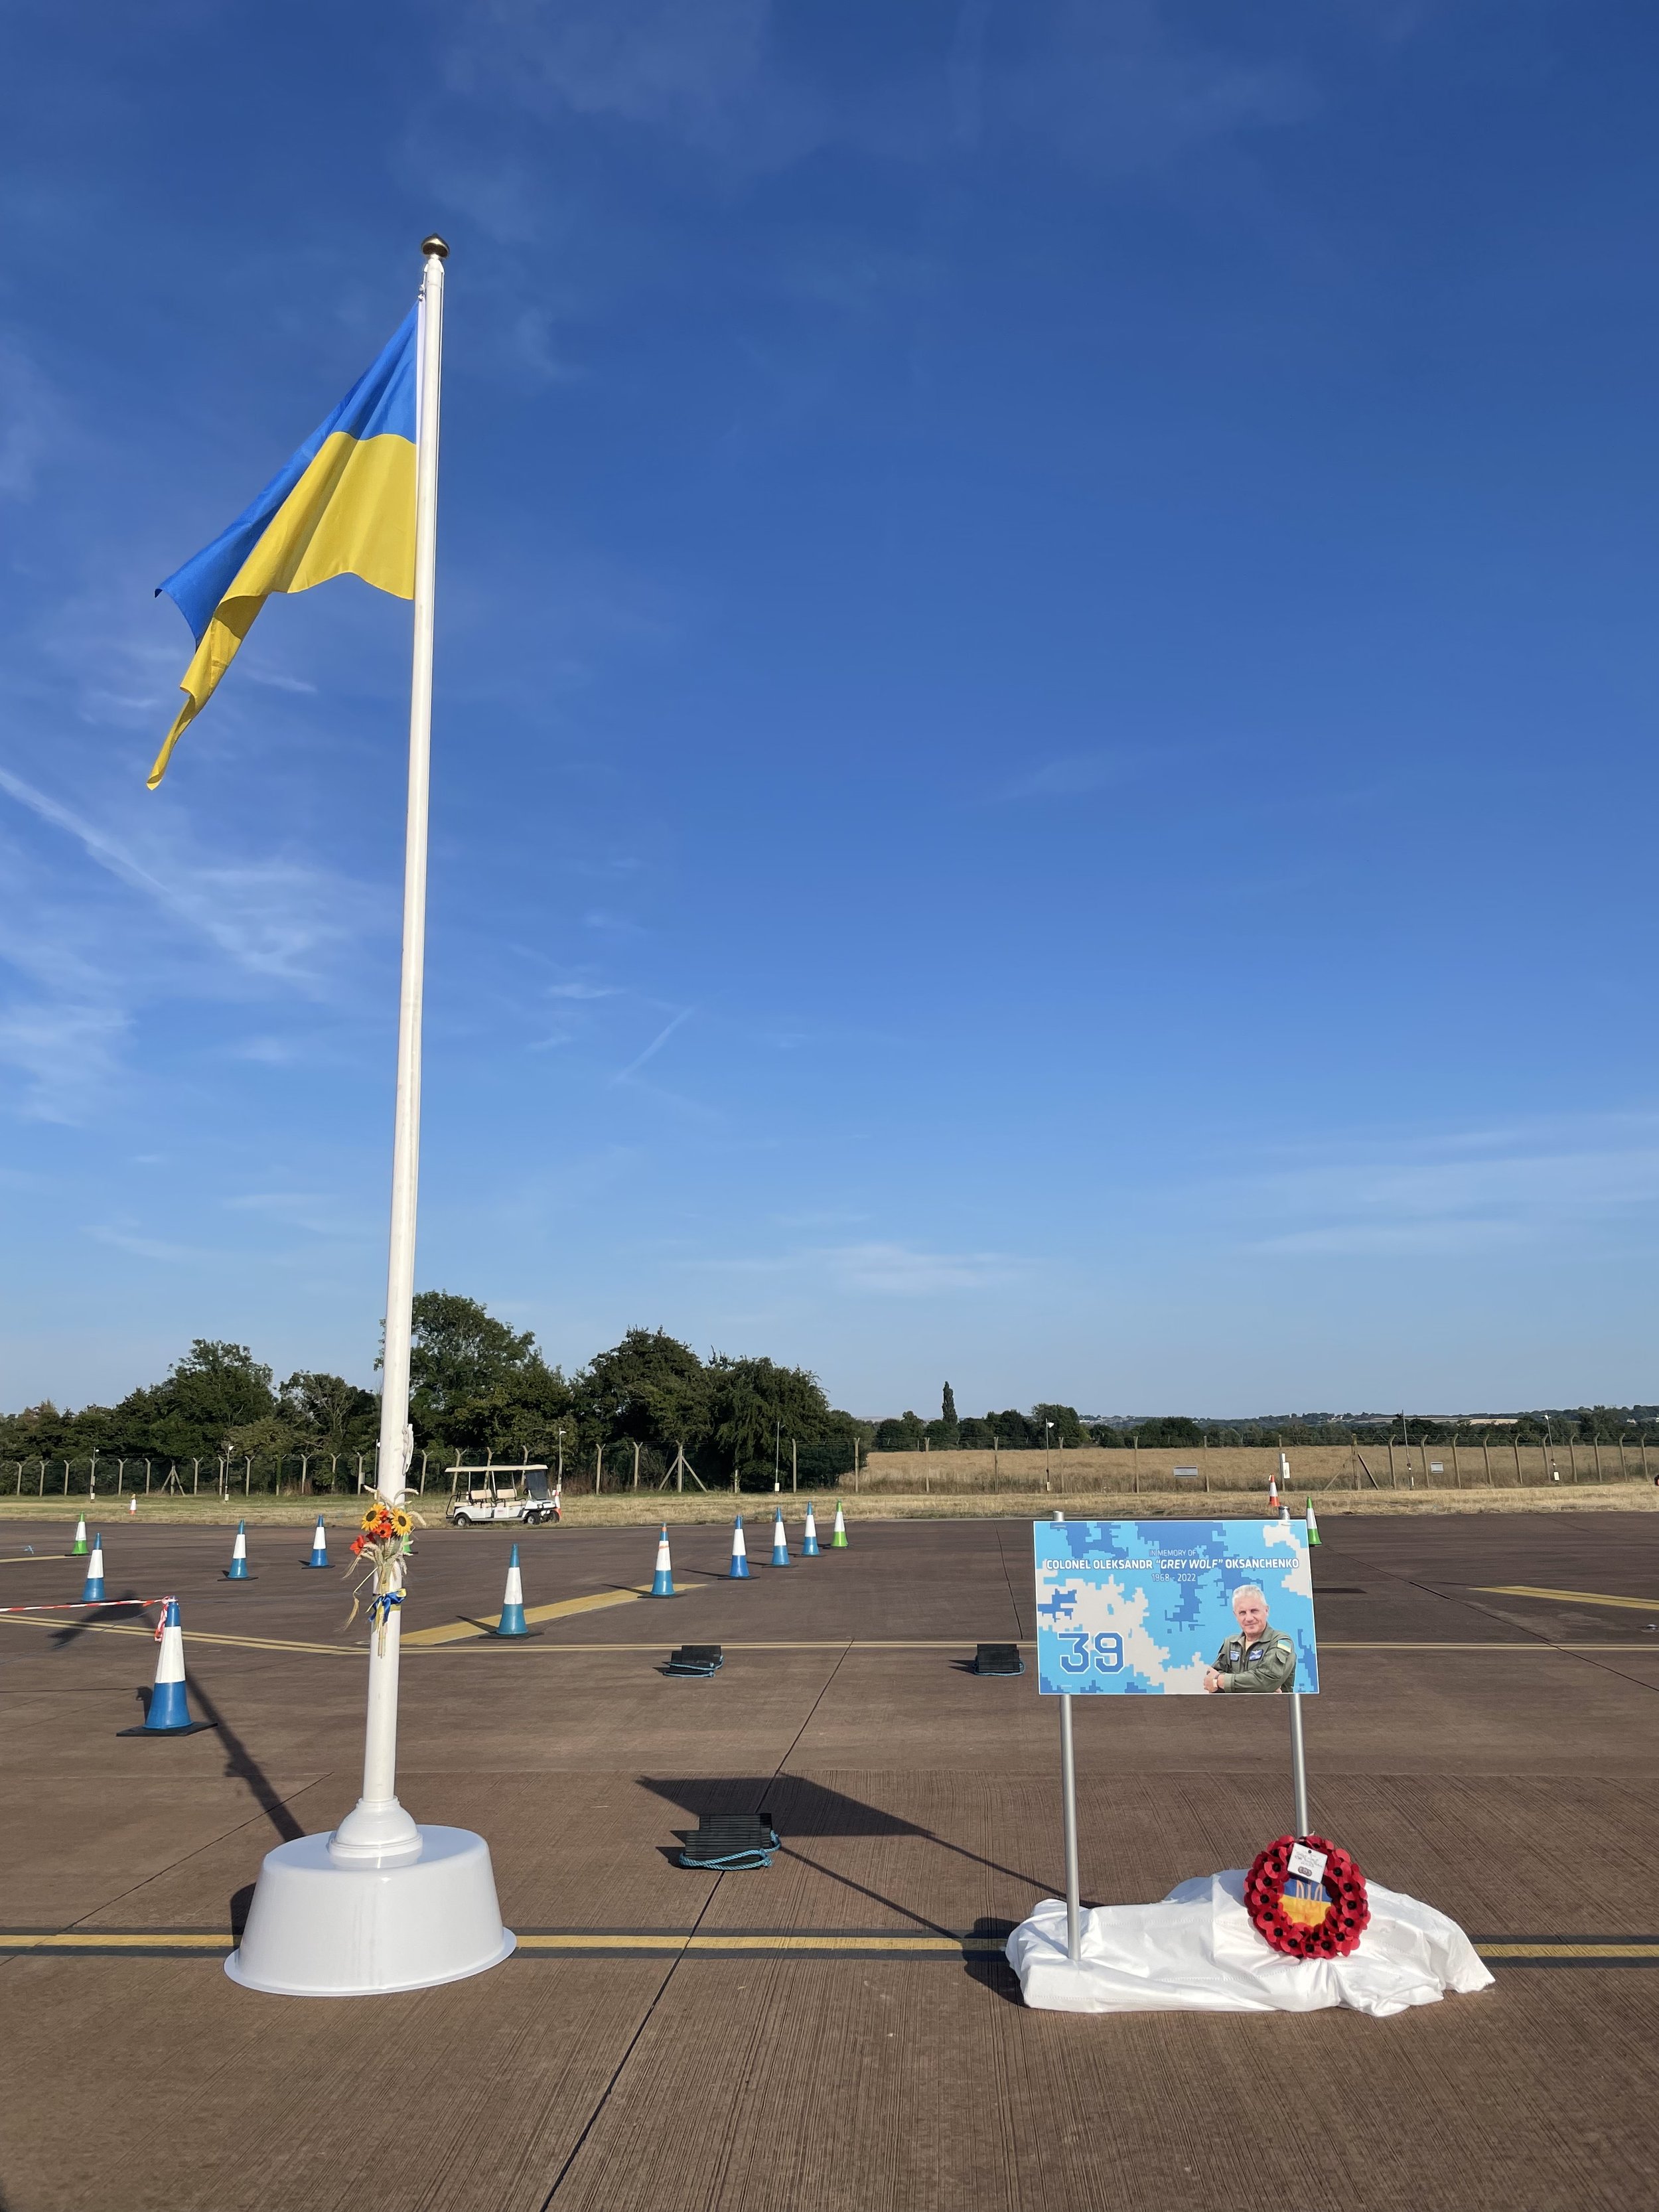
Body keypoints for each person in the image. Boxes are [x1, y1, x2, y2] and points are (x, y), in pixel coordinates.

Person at [1204, 1584, 1297, 1694]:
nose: (1249, 1618)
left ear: (1266, 1611)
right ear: (1236, 1615)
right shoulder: (1230, 1644)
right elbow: (1211, 1679)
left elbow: (1266, 1681)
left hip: (1273, 1709)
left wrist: (1221, 1681)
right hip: (1233, 1709)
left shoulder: (1281, 1641)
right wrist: (1254, 1686)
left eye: (1254, 1611)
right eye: (1242, 1613)